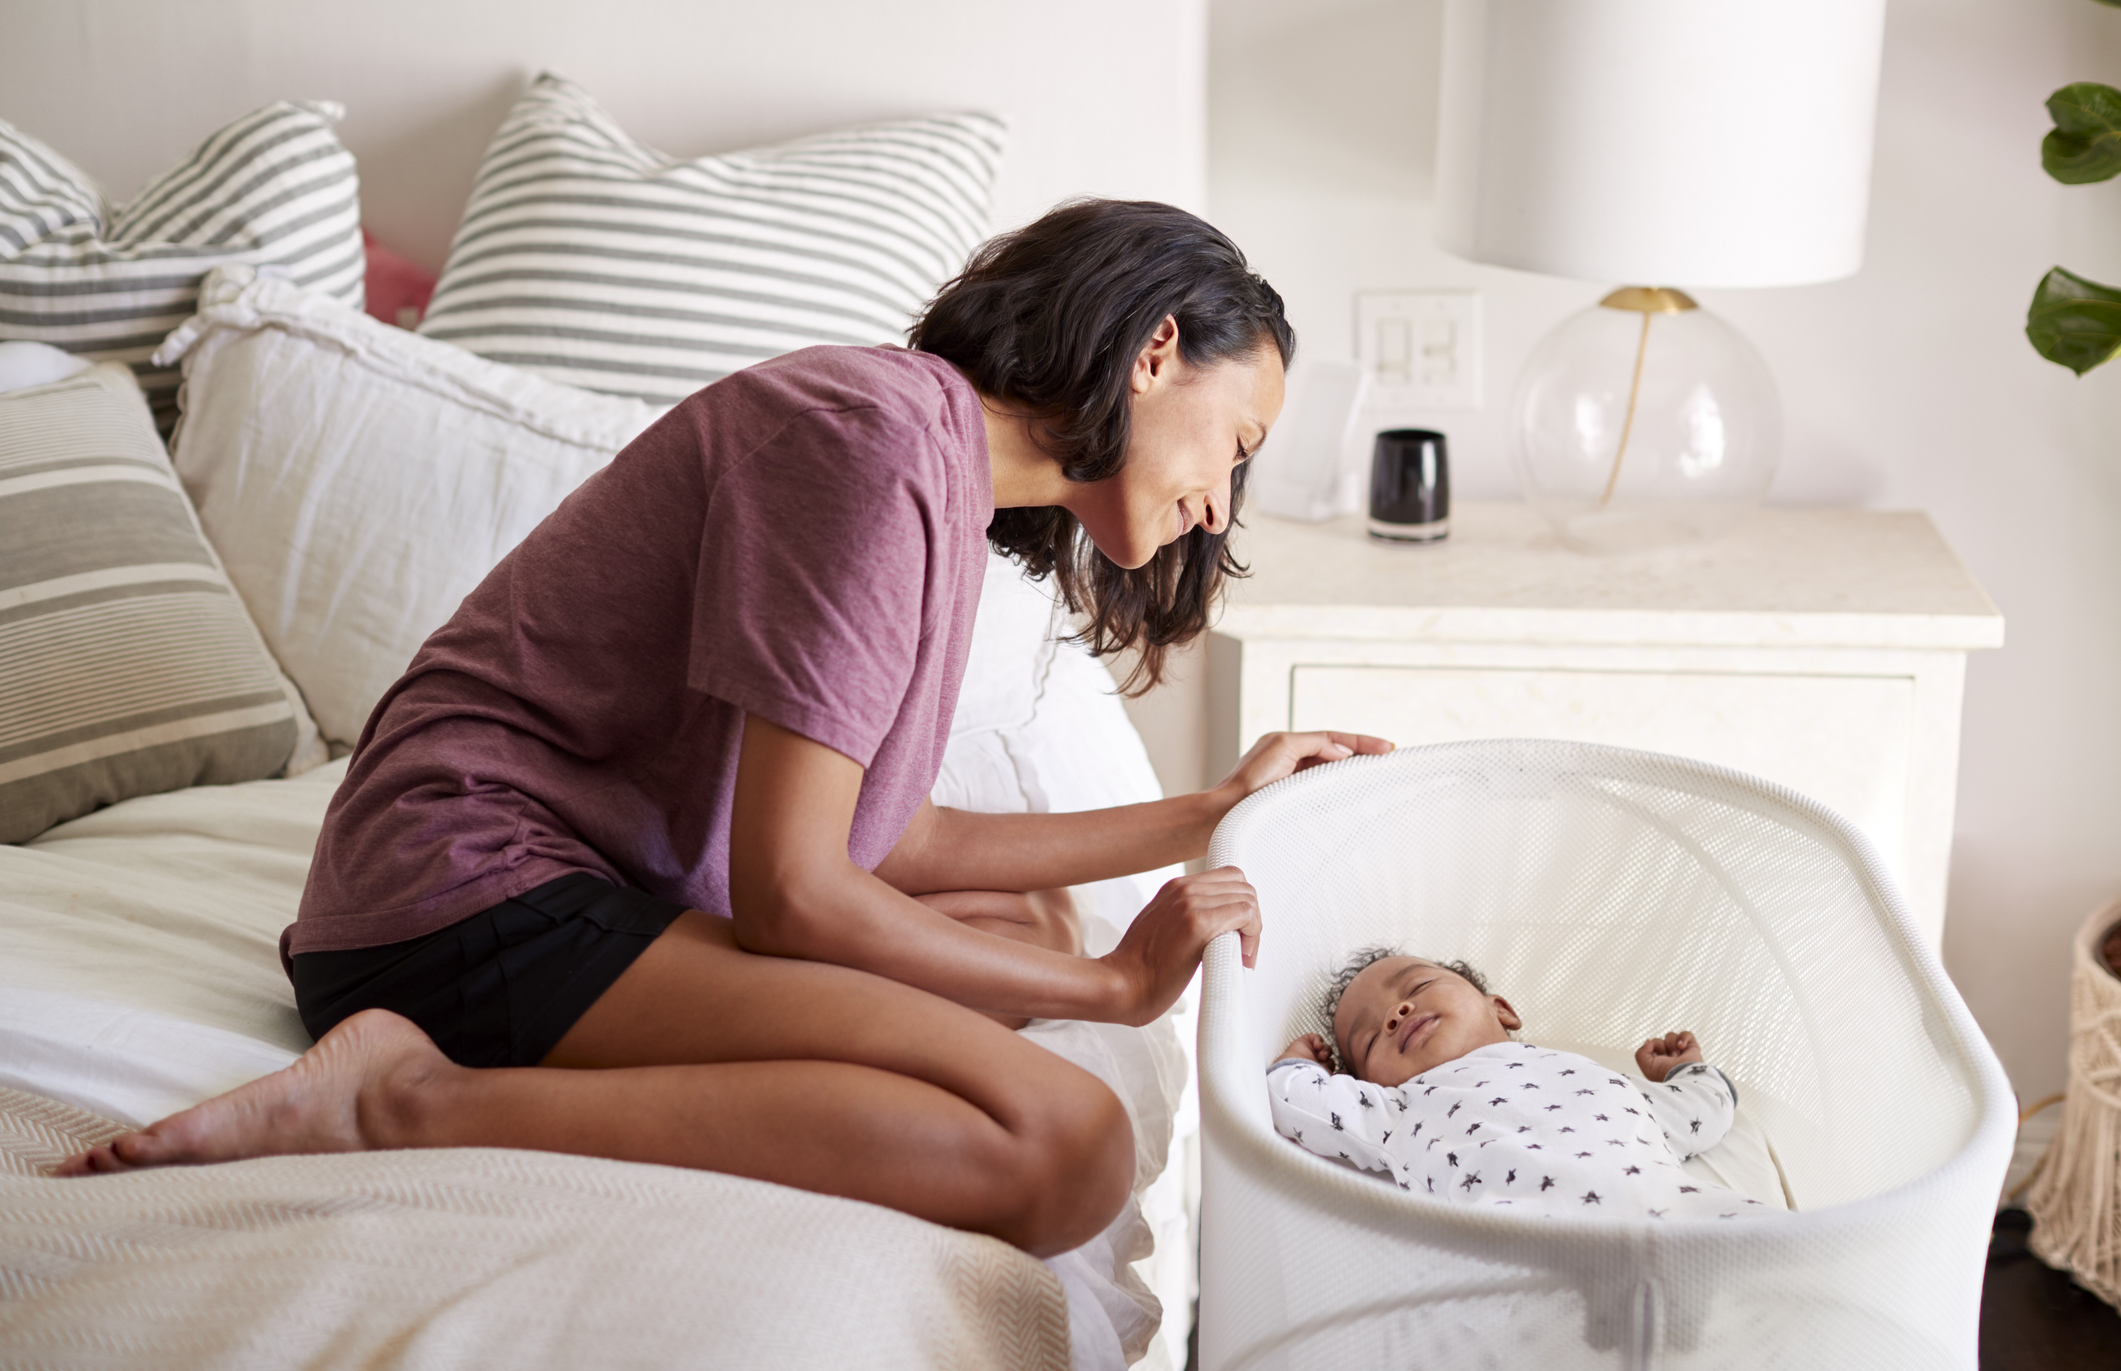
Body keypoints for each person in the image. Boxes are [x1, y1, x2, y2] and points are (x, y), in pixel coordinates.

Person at [56, 199, 1392, 1258]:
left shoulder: (931, 471)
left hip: (554, 890)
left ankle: (431, 1076)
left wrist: (1203, 811)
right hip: (457, 903)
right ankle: (398, 1099)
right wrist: (1113, 986)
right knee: (1068, 1145)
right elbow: (796, 894)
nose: (1222, 499)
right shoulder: (870, 447)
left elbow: (888, 836)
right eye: (1237, 438)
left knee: (1027, 924)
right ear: (1157, 348)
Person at [1266, 948, 1774, 1220]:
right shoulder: (1399, 1109)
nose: (1397, 1014)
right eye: (1370, 1037)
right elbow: (1295, 1103)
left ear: (1501, 1009)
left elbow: (1701, 1110)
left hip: (1669, 1215)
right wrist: (1300, 1068)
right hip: (1520, 1243)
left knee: (1774, 1247)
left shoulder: (1596, 1076)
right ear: (1369, 1084)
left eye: (1417, 988)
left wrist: (1683, 1071)